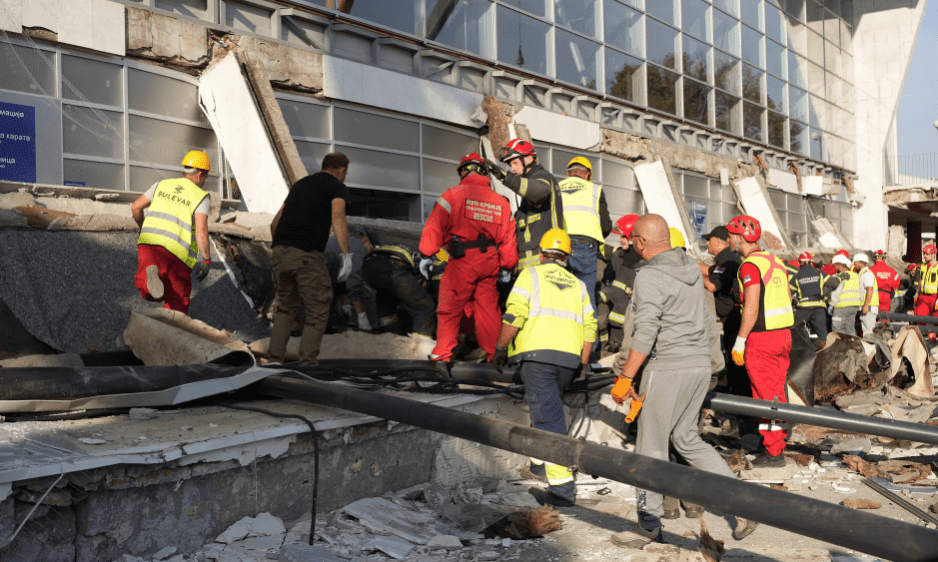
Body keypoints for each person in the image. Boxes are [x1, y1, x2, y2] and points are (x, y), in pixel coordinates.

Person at [608, 214, 757, 548]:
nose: (631, 245)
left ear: (642, 242)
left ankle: (648, 526)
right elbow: (705, 318)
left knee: (651, 448)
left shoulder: (649, 277)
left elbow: (644, 333)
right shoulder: (691, 268)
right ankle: (745, 504)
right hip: (698, 367)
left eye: (632, 239)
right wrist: (714, 364)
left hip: (667, 368)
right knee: (687, 439)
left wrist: (626, 376)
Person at [492, 229, 595, 507]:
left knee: (549, 421)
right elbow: (590, 327)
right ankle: (539, 466)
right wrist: (583, 362)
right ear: (567, 257)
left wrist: (501, 347)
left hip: (538, 358)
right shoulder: (578, 285)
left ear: (541, 253)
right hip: (568, 362)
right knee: (546, 410)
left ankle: (562, 490)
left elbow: (515, 314)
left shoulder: (531, 275)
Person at [419, 152, 517, 362]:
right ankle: (495, 357)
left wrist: (427, 252)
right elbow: (508, 239)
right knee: (488, 311)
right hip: (490, 263)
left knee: (449, 307)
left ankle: (442, 357)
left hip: (463, 260)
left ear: (463, 171)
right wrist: (507, 265)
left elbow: (434, 228)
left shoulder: (452, 195)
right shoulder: (502, 202)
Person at [268, 153, 353, 366]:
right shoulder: (336, 186)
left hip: (279, 251)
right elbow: (338, 216)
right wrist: (345, 254)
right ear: (341, 171)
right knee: (318, 309)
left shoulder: (300, 185)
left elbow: (274, 223)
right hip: (306, 255)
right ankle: (308, 365)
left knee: (286, 308)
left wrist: (282, 250)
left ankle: (274, 362)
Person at [728, 215, 793, 468]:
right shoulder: (774, 261)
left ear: (740, 237)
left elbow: (751, 306)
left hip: (762, 339)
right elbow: (787, 296)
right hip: (784, 335)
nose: (730, 239)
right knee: (777, 392)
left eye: (732, 235)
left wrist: (739, 341)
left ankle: (774, 452)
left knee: (765, 397)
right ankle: (780, 437)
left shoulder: (749, 266)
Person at [131, 150, 213, 314]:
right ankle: (170, 333)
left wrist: (143, 228)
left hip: (148, 244)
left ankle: (150, 278)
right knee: (177, 303)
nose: (205, 181)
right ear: (200, 174)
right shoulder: (201, 196)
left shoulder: (161, 185)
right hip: (176, 254)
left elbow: (136, 207)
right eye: (205, 177)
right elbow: (201, 230)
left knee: (147, 289)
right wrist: (206, 259)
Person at [486, 139, 564, 269]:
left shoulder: (543, 176)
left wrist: (506, 178)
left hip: (544, 261)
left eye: (515, 163)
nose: (513, 168)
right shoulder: (529, 183)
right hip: (534, 263)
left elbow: (539, 191)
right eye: (510, 165)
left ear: (528, 159)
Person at [558, 156, 612, 316]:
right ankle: (589, 341)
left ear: (568, 174)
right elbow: (606, 226)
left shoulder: (556, 187)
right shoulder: (595, 190)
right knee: (587, 300)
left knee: (562, 299)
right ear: (587, 174)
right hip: (586, 247)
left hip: (561, 247)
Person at [699, 225, 746, 395]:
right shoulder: (726, 259)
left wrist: (695, 274)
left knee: (735, 362)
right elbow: (711, 272)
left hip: (733, 316)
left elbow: (712, 285)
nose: (707, 244)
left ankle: (739, 404)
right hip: (731, 316)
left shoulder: (726, 260)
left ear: (718, 241)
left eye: (709, 240)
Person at [361, 242, 436, 337]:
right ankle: (420, 346)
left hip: (369, 266)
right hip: (394, 267)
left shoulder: (436, 255)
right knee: (425, 309)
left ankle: (390, 338)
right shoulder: (439, 261)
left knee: (388, 302)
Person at [601, 214, 641, 352]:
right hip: (614, 325)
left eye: (623, 236)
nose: (620, 239)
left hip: (633, 327)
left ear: (632, 237)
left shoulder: (643, 263)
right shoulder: (618, 256)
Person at [792, 252, 831, 341]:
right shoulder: (819, 273)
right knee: (822, 333)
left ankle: (799, 351)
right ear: (811, 262)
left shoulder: (796, 276)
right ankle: (824, 351)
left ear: (800, 263)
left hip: (803, 308)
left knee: (795, 330)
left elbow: (789, 293)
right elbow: (834, 283)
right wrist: (842, 276)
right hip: (819, 308)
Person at [827, 254, 861, 336]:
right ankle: (854, 347)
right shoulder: (855, 276)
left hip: (841, 307)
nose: (834, 268)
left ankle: (841, 348)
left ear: (839, 266)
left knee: (837, 331)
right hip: (853, 307)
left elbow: (836, 293)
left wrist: (831, 305)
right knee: (850, 330)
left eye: (835, 266)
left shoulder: (840, 277)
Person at [853, 253, 879, 336]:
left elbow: (870, 290)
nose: (854, 265)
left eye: (855, 263)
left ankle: (872, 349)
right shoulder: (862, 274)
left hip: (869, 308)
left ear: (860, 264)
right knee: (866, 333)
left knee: (869, 333)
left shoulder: (867, 274)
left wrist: (866, 306)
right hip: (867, 308)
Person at [870, 250, 900, 315]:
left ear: (875, 258)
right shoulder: (891, 270)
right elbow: (897, 281)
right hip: (886, 296)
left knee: (871, 317)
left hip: (873, 295)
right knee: (884, 317)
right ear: (884, 258)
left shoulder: (870, 270)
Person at [914, 244, 938, 318]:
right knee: (920, 318)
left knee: (936, 321)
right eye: (924, 254)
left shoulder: (937, 267)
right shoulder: (923, 266)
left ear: (933, 255)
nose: (924, 256)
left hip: (934, 297)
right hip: (923, 296)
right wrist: (917, 293)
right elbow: (921, 280)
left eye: (927, 254)